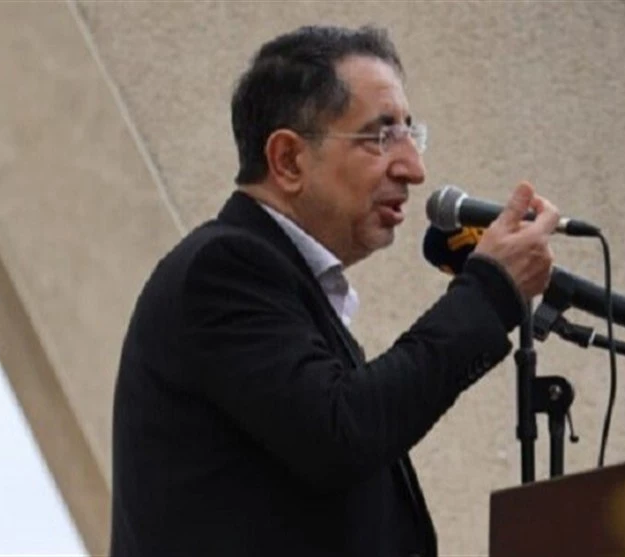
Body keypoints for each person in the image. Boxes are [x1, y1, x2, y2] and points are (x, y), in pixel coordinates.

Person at [110, 24, 559, 557]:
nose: (414, 169)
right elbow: (342, 432)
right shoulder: (223, 268)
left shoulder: (282, 281)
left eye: (411, 134)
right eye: (381, 136)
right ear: (288, 160)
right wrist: (488, 293)